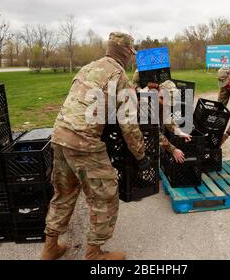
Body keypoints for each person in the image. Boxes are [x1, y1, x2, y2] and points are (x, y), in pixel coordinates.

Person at [41, 32, 151, 261]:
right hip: (84, 141)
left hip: (60, 135)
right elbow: (129, 125)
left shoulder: (88, 67)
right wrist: (141, 155)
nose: (132, 58)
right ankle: (94, 253)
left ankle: (50, 246)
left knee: (63, 193)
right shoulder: (119, 75)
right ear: (126, 53)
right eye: (132, 54)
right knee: (106, 195)